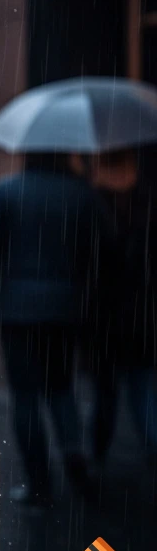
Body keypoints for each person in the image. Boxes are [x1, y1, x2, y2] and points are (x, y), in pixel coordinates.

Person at [0, 153, 110, 506]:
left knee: (25, 395)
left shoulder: (7, 192)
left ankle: (38, 482)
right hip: (64, 310)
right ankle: (75, 457)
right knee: (60, 387)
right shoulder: (82, 195)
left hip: (18, 311)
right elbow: (102, 253)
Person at [87, 149, 157, 466]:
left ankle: (96, 456)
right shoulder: (145, 203)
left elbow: (91, 264)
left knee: (106, 392)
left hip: (105, 316)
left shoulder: (94, 204)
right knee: (141, 389)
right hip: (142, 314)